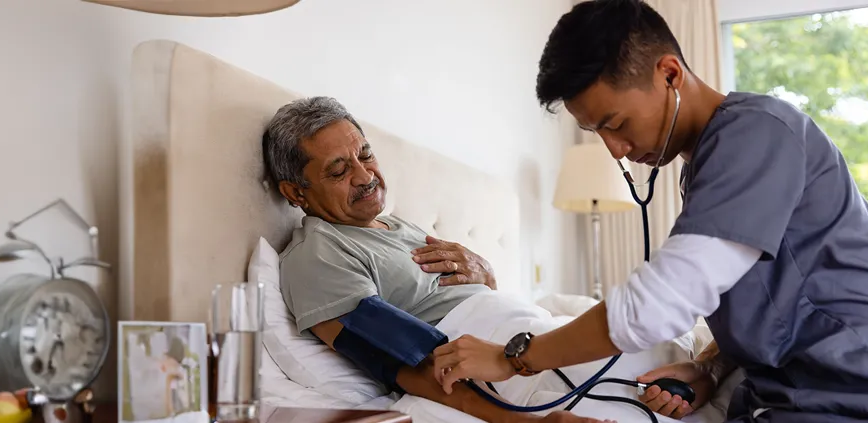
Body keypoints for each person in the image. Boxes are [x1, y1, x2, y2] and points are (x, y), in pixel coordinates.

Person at [429, 1, 868, 422]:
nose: (615, 149)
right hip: (816, 387)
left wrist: (516, 356)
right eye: (595, 132)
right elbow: (756, 297)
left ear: (669, 74)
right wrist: (708, 366)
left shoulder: (756, 135)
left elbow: (660, 302)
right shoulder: (710, 161)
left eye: (616, 124)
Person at [262, 96, 614, 423]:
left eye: (366, 155)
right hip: (505, 374)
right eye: (339, 171)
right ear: (296, 192)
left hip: (538, 338)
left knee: (658, 364)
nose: (365, 176)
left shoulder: (399, 226)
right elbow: (404, 358)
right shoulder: (318, 254)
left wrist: (488, 277)